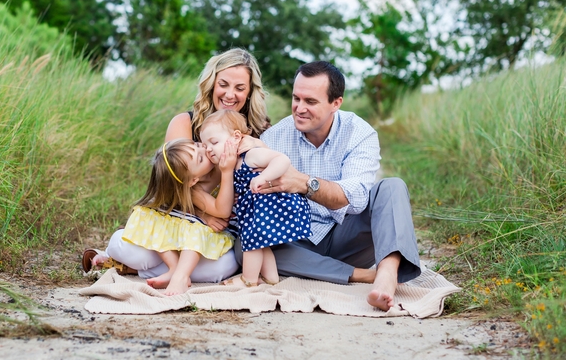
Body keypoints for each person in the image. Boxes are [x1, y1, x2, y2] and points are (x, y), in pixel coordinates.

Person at [85, 49, 270, 283]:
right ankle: (159, 268)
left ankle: (139, 270)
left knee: (219, 268)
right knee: (126, 246)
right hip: (179, 220)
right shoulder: (186, 123)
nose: (230, 94)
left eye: (240, 88)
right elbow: (174, 179)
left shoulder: (255, 132)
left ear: (250, 92)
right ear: (211, 84)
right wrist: (205, 212)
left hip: (217, 233)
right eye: (223, 84)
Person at [252, 61, 421, 311]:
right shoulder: (273, 138)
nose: (299, 108)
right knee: (244, 244)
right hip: (296, 240)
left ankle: (386, 274)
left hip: (347, 237)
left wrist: (303, 183)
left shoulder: (360, 133)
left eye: (310, 101)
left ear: (336, 103)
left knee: (392, 187)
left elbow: (354, 199)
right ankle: (362, 275)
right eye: (296, 98)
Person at [200, 110, 311, 287]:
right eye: (205, 145)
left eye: (214, 142)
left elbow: (282, 159)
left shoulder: (249, 155)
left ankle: (249, 280)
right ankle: (271, 278)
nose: (209, 149)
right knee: (260, 242)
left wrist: (263, 177)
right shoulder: (230, 164)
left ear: (236, 137)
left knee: (251, 241)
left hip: (273, 206)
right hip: (257, 209)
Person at [117, 139, 235, 295]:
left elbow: (222, 213)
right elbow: (221, 210)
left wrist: (226, 170)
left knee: (196, 231)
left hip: (210, 234)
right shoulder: (195, 187)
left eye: (198, 145)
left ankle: (179, 274)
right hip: (186, 229)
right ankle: (176, 271)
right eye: (200, 158)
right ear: (193, 180)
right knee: (150, 218)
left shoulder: (219, 163)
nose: (205, 150)